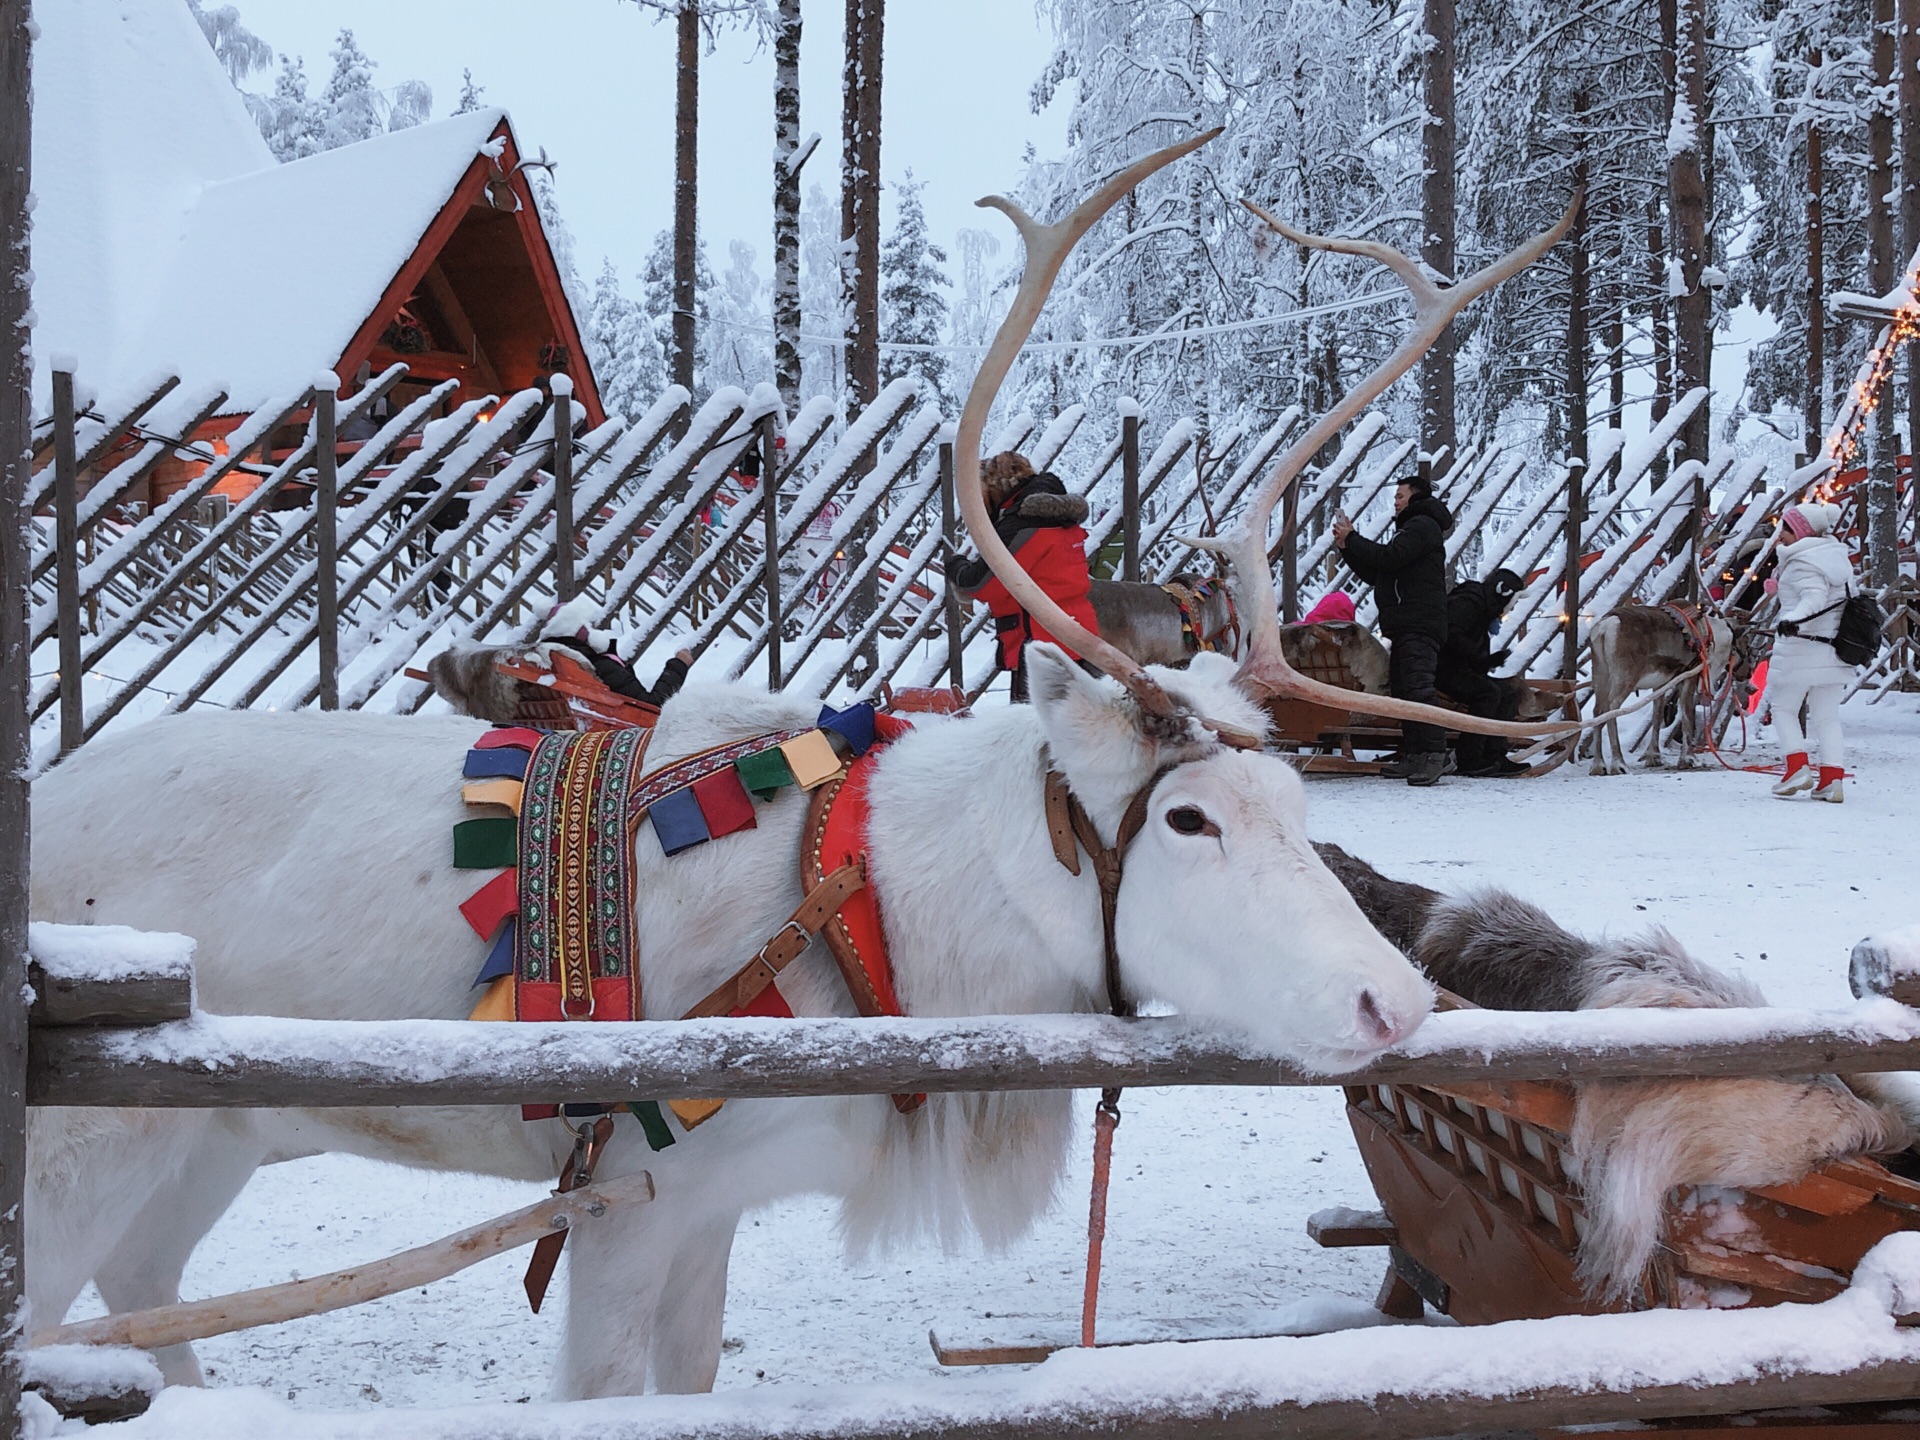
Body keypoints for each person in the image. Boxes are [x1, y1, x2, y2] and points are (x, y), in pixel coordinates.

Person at [946, 451, 1099, 702]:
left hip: (1041, 646)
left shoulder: (1021, 524)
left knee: (1034, 729)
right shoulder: (1061, 520)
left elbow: (984, 583)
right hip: (1078, 636)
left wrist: (956, 567)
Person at [1333, 475, 1455, 785]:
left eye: (1400, 495)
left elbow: (1389, 558)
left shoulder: (1422, 526)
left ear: (1416, 497)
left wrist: (1354, 537)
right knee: (1404, 691)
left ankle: (1435, 755)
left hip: (1419, 622)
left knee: (1418, 689)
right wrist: (1348, 547)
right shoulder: (1411, 530)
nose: (1396, 500)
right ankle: (1415, 754)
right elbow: (1380, 573)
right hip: (1406, 624)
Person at [1765, 502, 1855, 802]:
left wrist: (1792, 619)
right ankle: (1831, 780)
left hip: (1802, 650)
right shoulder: (1834, 559)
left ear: (1801, 531)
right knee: (1827, 718)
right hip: (1833, 652)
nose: (1781, 536)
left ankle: (1797, 769)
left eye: (1786, 529)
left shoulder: (1805, 561)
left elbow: (1813, 598)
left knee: (1783, 709)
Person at [1437, 567, 1527, 777]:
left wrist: (1484, 661)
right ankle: (1470, 758)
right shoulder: (1468, 603)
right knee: (1487, 694)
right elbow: (1450, 634)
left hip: (1459, 668)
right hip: (1442, 669)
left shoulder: (1482, 606)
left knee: (1508, 692)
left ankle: (1494, 755)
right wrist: (1482, 658)